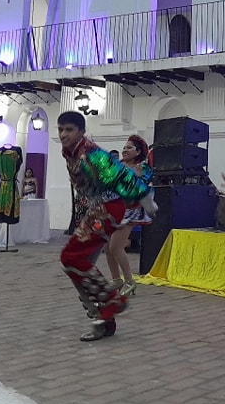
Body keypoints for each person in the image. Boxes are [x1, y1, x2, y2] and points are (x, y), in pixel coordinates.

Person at [57, 112, 157, 342]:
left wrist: (144, 197)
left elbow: (120, 173)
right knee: (78, 267)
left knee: (72, 258)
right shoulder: (70, 152)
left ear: (81, 132)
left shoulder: (90, 152)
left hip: (109, 207)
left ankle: (113, 301)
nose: (63, 134)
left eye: (69, 130)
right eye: (61, 129)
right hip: (98, 207)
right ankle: (104, 321)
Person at [104, 135, 153, 297]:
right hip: (113, 208)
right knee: (107, 246)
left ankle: (130, 281)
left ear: (138, 152)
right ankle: (117, 279)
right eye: (124, 147)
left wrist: (137, 178)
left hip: (130, 211)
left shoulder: (143, 168)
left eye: (129, 147)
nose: (125, 150)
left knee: (115, 246)